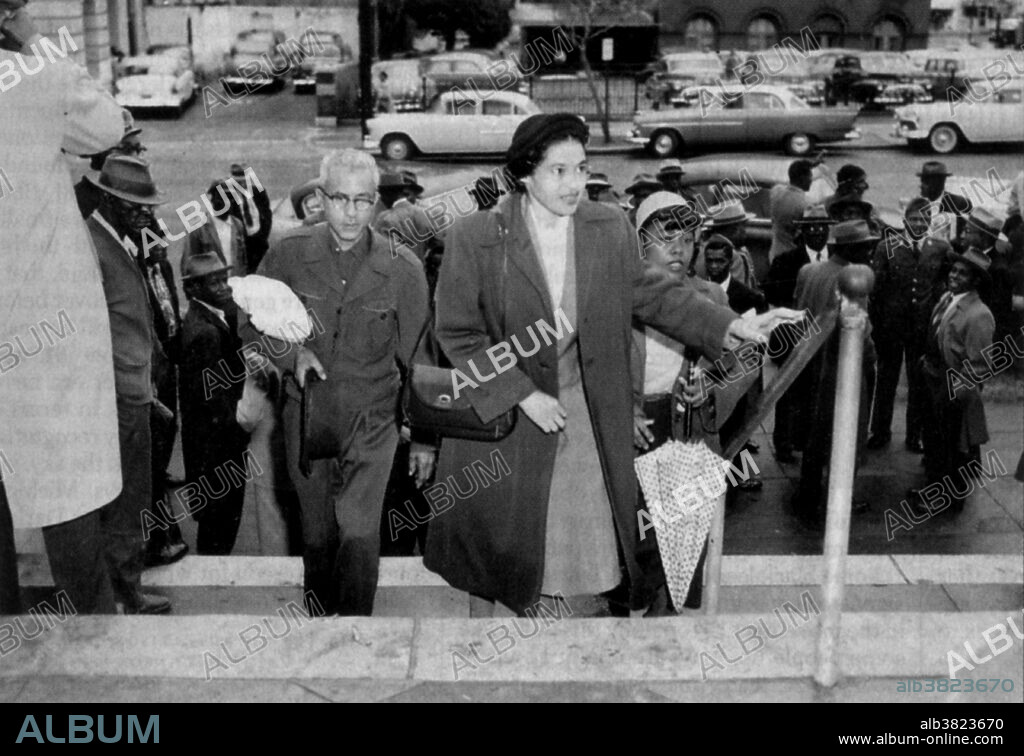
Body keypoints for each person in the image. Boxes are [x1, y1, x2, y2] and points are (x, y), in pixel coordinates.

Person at [423, 113, 801, 616]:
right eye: (559, 171)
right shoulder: (477, 236)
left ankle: (555, 630)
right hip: (507, 413)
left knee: (571, 551)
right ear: (525, 173)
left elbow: (652, 294)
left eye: (581, 168)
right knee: (502, 549)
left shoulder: (605, 228)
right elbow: (458, 332)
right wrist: (522, 393)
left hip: (582, 412)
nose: (574, 184)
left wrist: (726, 327)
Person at [257, 149, 434, 616]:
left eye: (362, 200)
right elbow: (249, 319)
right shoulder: (288, 255)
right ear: (320, 198)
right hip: (306, 415)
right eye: (339, 199)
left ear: (376, 202)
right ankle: (320, 622)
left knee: (358, 532)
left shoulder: (403, 269)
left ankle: (356, 630)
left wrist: (425, 442)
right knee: (316, 536)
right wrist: (290, 355)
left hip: (373, 419)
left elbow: (423, 362)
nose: (351, 212)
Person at [1, 1, 128, 615]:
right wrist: (41, 46)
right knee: (68, 485)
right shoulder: (36, 78)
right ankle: (94, 630)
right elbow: (106, 125)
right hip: (39, 318)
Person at [630, 192, 755, 616]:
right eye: (666, 238)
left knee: (680, 536)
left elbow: (744, 362)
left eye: (687, 238)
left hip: (685, 428)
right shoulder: (620, 296)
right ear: (639, 241)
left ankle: (667, 606)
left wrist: (712, 390)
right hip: (630, 427)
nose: (679, 249)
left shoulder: (709, 298)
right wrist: (621, 407)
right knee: (630, 530)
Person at [78, 156, 172, 614]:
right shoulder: (93, 244)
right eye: (135, 206)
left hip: (134, 392)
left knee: (129, 496)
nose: (145, 214)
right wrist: (129, 388)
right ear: (110, 200)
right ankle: (127, 593)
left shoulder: (116, 238)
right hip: (120, 398)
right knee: (128, 497)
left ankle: (120, 588)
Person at [792, 220, 878, 521]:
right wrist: (870, 362)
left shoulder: (809, 271)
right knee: (846, 434)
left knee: (815, 436)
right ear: (851, 248)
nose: (870, 250)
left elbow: (798, 311)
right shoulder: (854, 280)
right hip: (843, 363)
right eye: (865, 245)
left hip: (810, 359)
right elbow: (861, 332)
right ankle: (837, 502)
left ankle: (807, 496)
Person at [867, 197, 954, 453]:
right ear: (904, 220)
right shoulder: (887, 247)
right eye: (914, 218)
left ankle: (914, 435)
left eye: (923, 219)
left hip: (921, 329)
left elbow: (943, 282)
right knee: (887, 380)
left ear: (929, 222)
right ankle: (880, 431)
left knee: (918, 382)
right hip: (891, 328)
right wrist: (878, 324)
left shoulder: (939, 247)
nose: (918, 223)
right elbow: (877, 288)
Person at [912, 250, 995, 515]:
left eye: (962, 273)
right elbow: (937, 331)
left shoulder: (979, 314)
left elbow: (980, 364)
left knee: (953, 449)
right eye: (953, 271)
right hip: (933, 379)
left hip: (953, 388)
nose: (954, 276)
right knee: (934, 444)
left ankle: (949, 501)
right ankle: (933, 488)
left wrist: (957, 389)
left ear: (975, 281)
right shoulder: (947, 298)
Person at [179, 253, 251, 556]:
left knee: (217, 520)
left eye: (224, 279)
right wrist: (239, 430)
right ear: (194, 290)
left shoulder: (211, 317)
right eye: (214, 282)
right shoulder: (206, 333)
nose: (224, 287)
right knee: (219, 521)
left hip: (210, 446)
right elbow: (213, 401)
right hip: (217, 448)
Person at [763, 204, 836, 464]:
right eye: (811, 228)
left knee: (820, 393)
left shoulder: (837, 259)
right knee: (788, 392)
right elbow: (771, 293)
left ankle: (811, 442)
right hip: (794, 336)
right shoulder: (786, 261)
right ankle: (783, 443)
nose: (817, 232)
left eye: (821, 227)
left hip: (828, 339)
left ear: (829, 230)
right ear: (802, 232)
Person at [235, 349, 299, 556]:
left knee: (274, 533)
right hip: (304, 451)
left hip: (268, 454)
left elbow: (247, 417)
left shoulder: (257, 357)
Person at [74, 111, 145, 219]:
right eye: (126, 150)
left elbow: (151, 235)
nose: (137, 159)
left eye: (138, 150)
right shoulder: (80, 201)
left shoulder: (135, 196)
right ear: (98, 151)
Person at [962, 207, 1014, 344]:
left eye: (967, 231)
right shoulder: (972, 258)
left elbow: (998, 321)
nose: (962, 236)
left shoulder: (998, 271)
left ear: (983, 237)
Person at [185, 180, 249, 272]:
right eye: (223, 197)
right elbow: (189, 263)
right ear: (213, 200)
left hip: (235, 282)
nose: (228, 202)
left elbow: (243, 261)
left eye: (231, 198)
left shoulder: (237, 225)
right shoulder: (198, 227)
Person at [692, 200, 758, 288]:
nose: (745, 232)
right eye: (743, 226)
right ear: (734, 229)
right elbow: (739, 293)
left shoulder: (700, 250)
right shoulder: (734, 256)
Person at [225, 163, 273, 271]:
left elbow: (267, 215)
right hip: (242, 244)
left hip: (259, 241)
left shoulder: (259, 193)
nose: (241, 185)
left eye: (244, 181)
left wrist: (263, 235)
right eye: (238, 182)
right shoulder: (227, 198)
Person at [917, 161, 973, 245]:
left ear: (938, 183)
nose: (921, 185)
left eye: (925, 182)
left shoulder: (959, 203)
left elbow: (968, 235)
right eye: (922, 181)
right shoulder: (917, 205)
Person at [768, 159, 813, 261]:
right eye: (810, 176)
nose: (811, 179)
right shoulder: (807, 204)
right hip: (793, 256)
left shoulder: (776, 192)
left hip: (774, 253)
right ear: (803, 178)